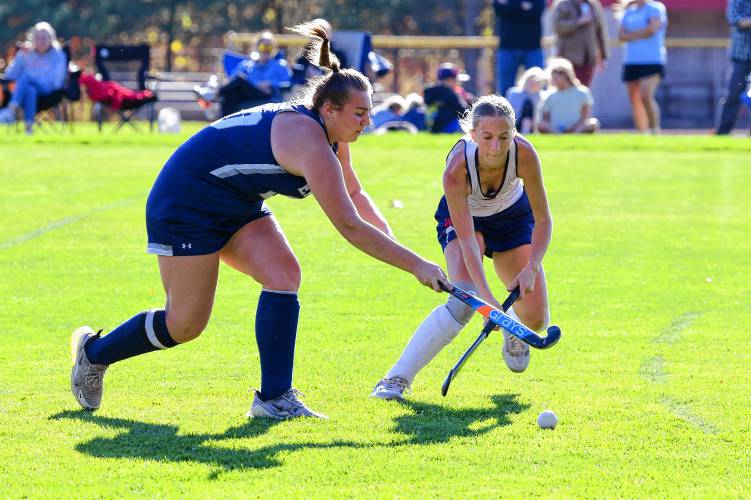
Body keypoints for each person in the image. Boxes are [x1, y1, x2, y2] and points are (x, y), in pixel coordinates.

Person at [70, 20, 448, 420]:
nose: (366, 122)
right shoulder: (311, 142)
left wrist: (394, 246)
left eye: (368, 112)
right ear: (328, 109)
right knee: (185, 324)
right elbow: (350, 226)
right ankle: (94, 355)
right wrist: (415, 265)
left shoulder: (332, 138)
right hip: (186, 202)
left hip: (236, 203)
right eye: (358, 113)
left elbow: (353, 193)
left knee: (284, 273)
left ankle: (273, 398)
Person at [371, 95, 553, 400]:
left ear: (514, 132)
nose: (496, 147)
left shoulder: (524, 154)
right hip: (467, 220)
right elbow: (468, 240)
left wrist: (531, 267)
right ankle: (395, 379)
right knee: (463, 301)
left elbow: (544, 219)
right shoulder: (457, 168)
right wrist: (487, 301)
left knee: (535, 320)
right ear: (472, 134)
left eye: (504, 137)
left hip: (513, 218)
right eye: (488, 137)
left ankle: (512, 328)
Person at [0, 22, 67, 134]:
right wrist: (21, 56)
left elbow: (57, 83)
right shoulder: (26, 53)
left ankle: (11, 110)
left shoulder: (58, 55)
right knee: (31, 90)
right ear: (33, 39)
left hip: (49, 93)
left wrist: (35, 80)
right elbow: (10, 75)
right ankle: (29, 129)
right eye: (38, 37)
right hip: (25, 93)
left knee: (25, 77)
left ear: (51, 38)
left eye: (44, 38)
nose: (41, 41)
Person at [617, 0, 668, 134]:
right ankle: (642, 131)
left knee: (645, 95)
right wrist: (638, 34)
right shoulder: (629, 11)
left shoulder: (655, 8)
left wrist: (631, 35)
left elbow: (652, 29)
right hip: (631, 59)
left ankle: (654, 129)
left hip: (652, 59)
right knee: (635, 98)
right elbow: (621, 35)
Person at [218, 31, 292, 117]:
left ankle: (214, 94)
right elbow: (232, 78)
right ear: (257, 47)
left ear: (273, 49)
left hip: (266, 96)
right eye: (263, 46)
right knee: (230, 94)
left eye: (269, 47)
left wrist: (270, 84)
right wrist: (256, 84)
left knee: (239, 80)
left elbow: (289, 83)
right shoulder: (247, 64)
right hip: (247, 94)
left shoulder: (280, 65)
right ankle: (226, 126)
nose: (265, 49)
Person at [494, 0, 547, 97]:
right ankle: (506, 112)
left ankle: (538, 112)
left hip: (532, 46)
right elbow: (499, 10)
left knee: (539, 86)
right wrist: (522, 6)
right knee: (505, 90)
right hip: (508, 46)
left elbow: (537, 10)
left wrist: (510, 6)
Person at [551, 0, 610, 87]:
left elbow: (600, 31)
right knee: (568, 90)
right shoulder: (563, 4)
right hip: (568, 58)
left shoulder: (592, 5)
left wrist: (603, 56)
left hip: (588, 57)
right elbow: (558, 27)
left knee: (583, 90)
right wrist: (579, 21)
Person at [716, 0, 751, 135]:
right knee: (734, 95)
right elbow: (736, 20)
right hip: (740, 56)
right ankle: (723, 132)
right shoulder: (736, 1)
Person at [537, 58, 599, 133]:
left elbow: (585, 116)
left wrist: (573, 128)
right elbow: (546, 119)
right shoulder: (549, 95)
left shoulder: (582, 92)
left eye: (555, 78)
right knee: (540, 124)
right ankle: (558, 135)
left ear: (565, 76)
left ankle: (574, 134)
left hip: (576, 128)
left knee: (593, 122)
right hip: (555, 129)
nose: (553, 80)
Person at [424, 63, 471, 134]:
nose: (457, 83)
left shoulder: (430, 91)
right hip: (446, 128)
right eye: (455, 80)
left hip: (433, 128)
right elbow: (463, 113)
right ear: (449, 80)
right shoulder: (450, 93)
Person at [505, 66, 548, 133]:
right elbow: (508, 113)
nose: (532, 83)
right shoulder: (514, 93)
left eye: (536, 81)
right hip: (516, 123)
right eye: (530, 80)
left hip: (535, 125)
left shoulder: (543, 96)